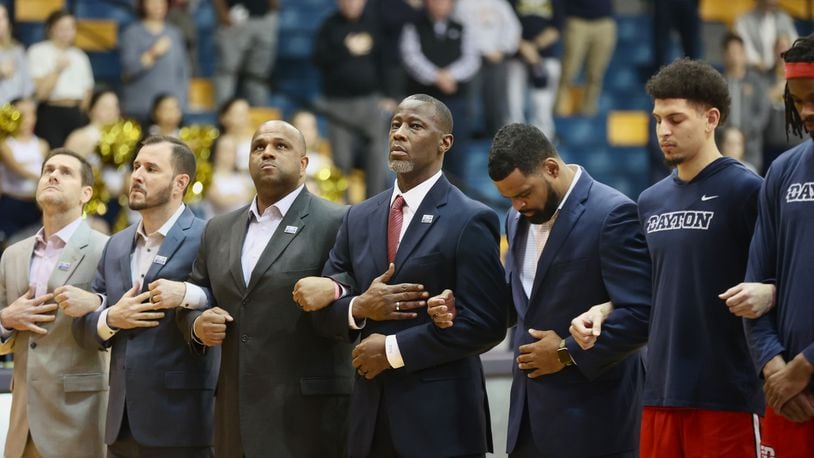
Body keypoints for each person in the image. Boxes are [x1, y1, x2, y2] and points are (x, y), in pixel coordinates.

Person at [296, 94, 508, 457]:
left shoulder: (471, 218)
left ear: (445, 142)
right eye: (395, 124)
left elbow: (488, 323)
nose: (399, 133)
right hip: (368, 414)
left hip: (441, 418)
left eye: (415, 125)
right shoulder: (357, 216)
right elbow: (325, 316)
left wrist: (394, 351)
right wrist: (359, 307)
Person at [574, 58, 766, 457]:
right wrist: (605, 309)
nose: (663, 131)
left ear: (711, 118)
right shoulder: (650, 200)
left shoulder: (747, 190)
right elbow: (653, 286)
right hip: (659, 390)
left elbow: (780, 274)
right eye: (658, 119)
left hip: (727, 393)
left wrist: (771, 290)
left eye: (676, 120)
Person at [151, 120, 356, 457]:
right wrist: (198, 327)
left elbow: (355, 291)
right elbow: (197, 293)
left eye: (280, 146)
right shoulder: (218, 228)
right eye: (258, 147)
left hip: (310, 418)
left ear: (304, 164)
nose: (267, 153)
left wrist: (336, 289)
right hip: (235, 416)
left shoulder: (339, 220)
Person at [449, 123, 649, 457]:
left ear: (551, 168)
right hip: (528, 418)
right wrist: (462, 303)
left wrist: (565, 353)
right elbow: (521, 302)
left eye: (524, 193)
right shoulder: (516, 220)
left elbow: (642, 315)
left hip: (595, 418)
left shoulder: (613, 214)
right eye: (509, 198)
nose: (516, 205)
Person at [70, 136, 218, 456]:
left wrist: (186, 294)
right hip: (120, 424)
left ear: (180, 183)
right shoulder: (116, 244)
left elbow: (229, 302)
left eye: (151, 169)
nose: (137, 175)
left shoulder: (209, 234)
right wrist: (111, 318)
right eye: (136, 166)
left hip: (183, 421)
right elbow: (83, 326)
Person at [0, 149, 109, 458]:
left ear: (86, 193)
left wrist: (97, 302)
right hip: (23, 418)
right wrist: (6, 319)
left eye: (65, 171)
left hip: (79, 416)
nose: (53, 175)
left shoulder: (107, 248)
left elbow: (121, 320)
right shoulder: (13, 254)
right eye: (48, 169)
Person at [739, 35, 814, 457]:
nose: (806, 112)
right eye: (797, 101)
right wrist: (775, 369)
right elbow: (756, 288)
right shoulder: (783, 172)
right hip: (788, 397)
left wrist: (803, 367)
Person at [313, 0, 389, 198]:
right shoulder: (329, 25)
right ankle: (344, 216)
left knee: (376, 159)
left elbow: (387, 61)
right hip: (338, 104)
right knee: (341, 161)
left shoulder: (375, 24)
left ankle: (376, 211)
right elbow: (317, 58)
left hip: (371, 102)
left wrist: (389, 95)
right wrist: (344, 48)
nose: (351, 4)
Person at [399, 0, 480, 182]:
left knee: (456, 156)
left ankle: (457, 205)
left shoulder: (462, 28)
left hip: (455, 103)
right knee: (421, 156)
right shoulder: (414, 27)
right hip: (423, 104)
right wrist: (437, 77)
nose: (440, 4)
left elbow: (471, 59)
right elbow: (411, 57)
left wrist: (450, 76)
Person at [27, 10, 94, 149]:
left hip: (75, 112)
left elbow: (87, 90)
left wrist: (81, 114)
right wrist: (58, 70)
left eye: (70, 28)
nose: (66, 32)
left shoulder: (80, 56)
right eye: (62, 28)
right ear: (51, 29)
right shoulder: (38, 51)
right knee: (52, 156)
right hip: (50, 111)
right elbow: (41, 93)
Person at [121, 0, 190, 122]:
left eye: (162, 2)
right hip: (140, 109)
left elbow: (183, 72)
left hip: (169, 112)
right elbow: (128, 71)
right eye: (152, 2)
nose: (158, 5)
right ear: (143, 5)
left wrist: (181, 103)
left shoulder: (174, 34)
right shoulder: (131, 33)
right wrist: (152, 53)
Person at [506, 0, 564, 139]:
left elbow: (556, 28)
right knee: (513, 102)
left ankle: (543, 137)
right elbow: (505, 23)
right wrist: (524, 48)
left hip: (546, 57)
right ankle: (515, 139)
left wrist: (533, 47)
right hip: (516, 55)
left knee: (542, 102)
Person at [212, 0, 280, 107]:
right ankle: (223, 115)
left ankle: (260, 116)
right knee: (227, 70)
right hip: (235, 17)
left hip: (264, 17)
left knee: (259, 76)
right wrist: (222, 12)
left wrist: (273, 7)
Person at [554, 0, 615, 116]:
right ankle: (559, 109)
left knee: (596, 73)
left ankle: (588, 109)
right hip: (576, 20)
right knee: (569, 69)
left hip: (604, 21)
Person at [0, 98, 48, 245]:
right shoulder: (6, 144)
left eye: (32, 114)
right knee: (10, 247)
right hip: (12, 204)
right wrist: (42, 177)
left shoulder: (41, 144)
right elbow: (17, 168)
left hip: (35, 206)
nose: (28, 119)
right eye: (23, 114)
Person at [721, 33, 770, 172]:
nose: (734, 56)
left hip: (752, 146)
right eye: (730, 52)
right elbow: (712, 111)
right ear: (724, 55)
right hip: (724, 144)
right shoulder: (718, 82)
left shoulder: (757, 82)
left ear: (744, 54)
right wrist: (726, 132)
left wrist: (744, 133)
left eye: (737, 52)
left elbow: (763, 113)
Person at [734, 0, 798, 73]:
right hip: (753, 73)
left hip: (781, 72)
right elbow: (746, 51)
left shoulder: (784, 18)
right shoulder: (743, 21)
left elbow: (795, 45)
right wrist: (762, 68)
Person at [0, 4, 33, 104]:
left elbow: (27, 86)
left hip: (16, 113)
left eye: (3, 17)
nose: (1, 23)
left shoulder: (17, 50)